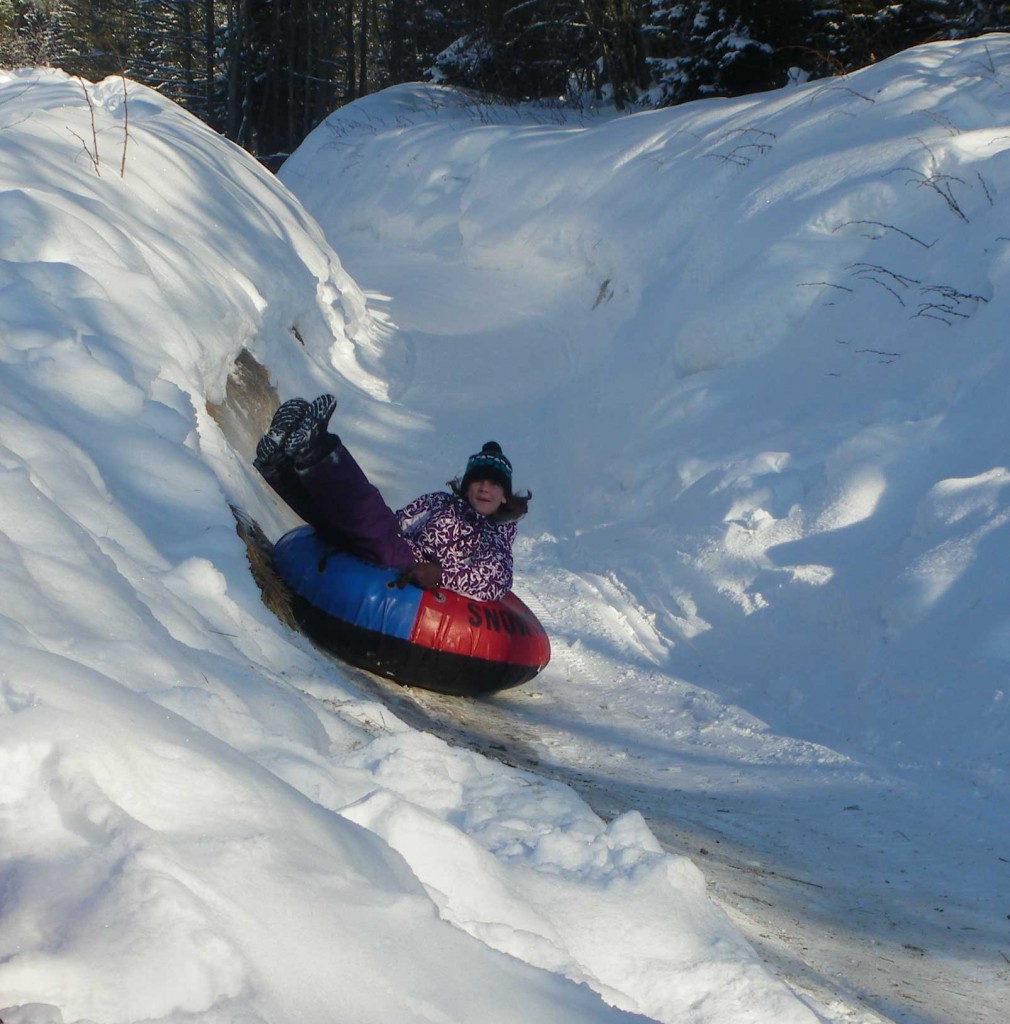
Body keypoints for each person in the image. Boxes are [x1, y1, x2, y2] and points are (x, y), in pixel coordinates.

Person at [253, 395, 530, 602]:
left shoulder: (494, 533)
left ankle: (317, 450)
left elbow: (496, 579)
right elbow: (396, 523)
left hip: (413, 567)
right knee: (339, 523)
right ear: (467, 487)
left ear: (505, 497)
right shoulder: (439, 502)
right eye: (478, 481)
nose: (484, 488)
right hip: (399, 549)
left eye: (494, 485)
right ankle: (283, 464)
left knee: (371, 523)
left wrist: (441, 573)